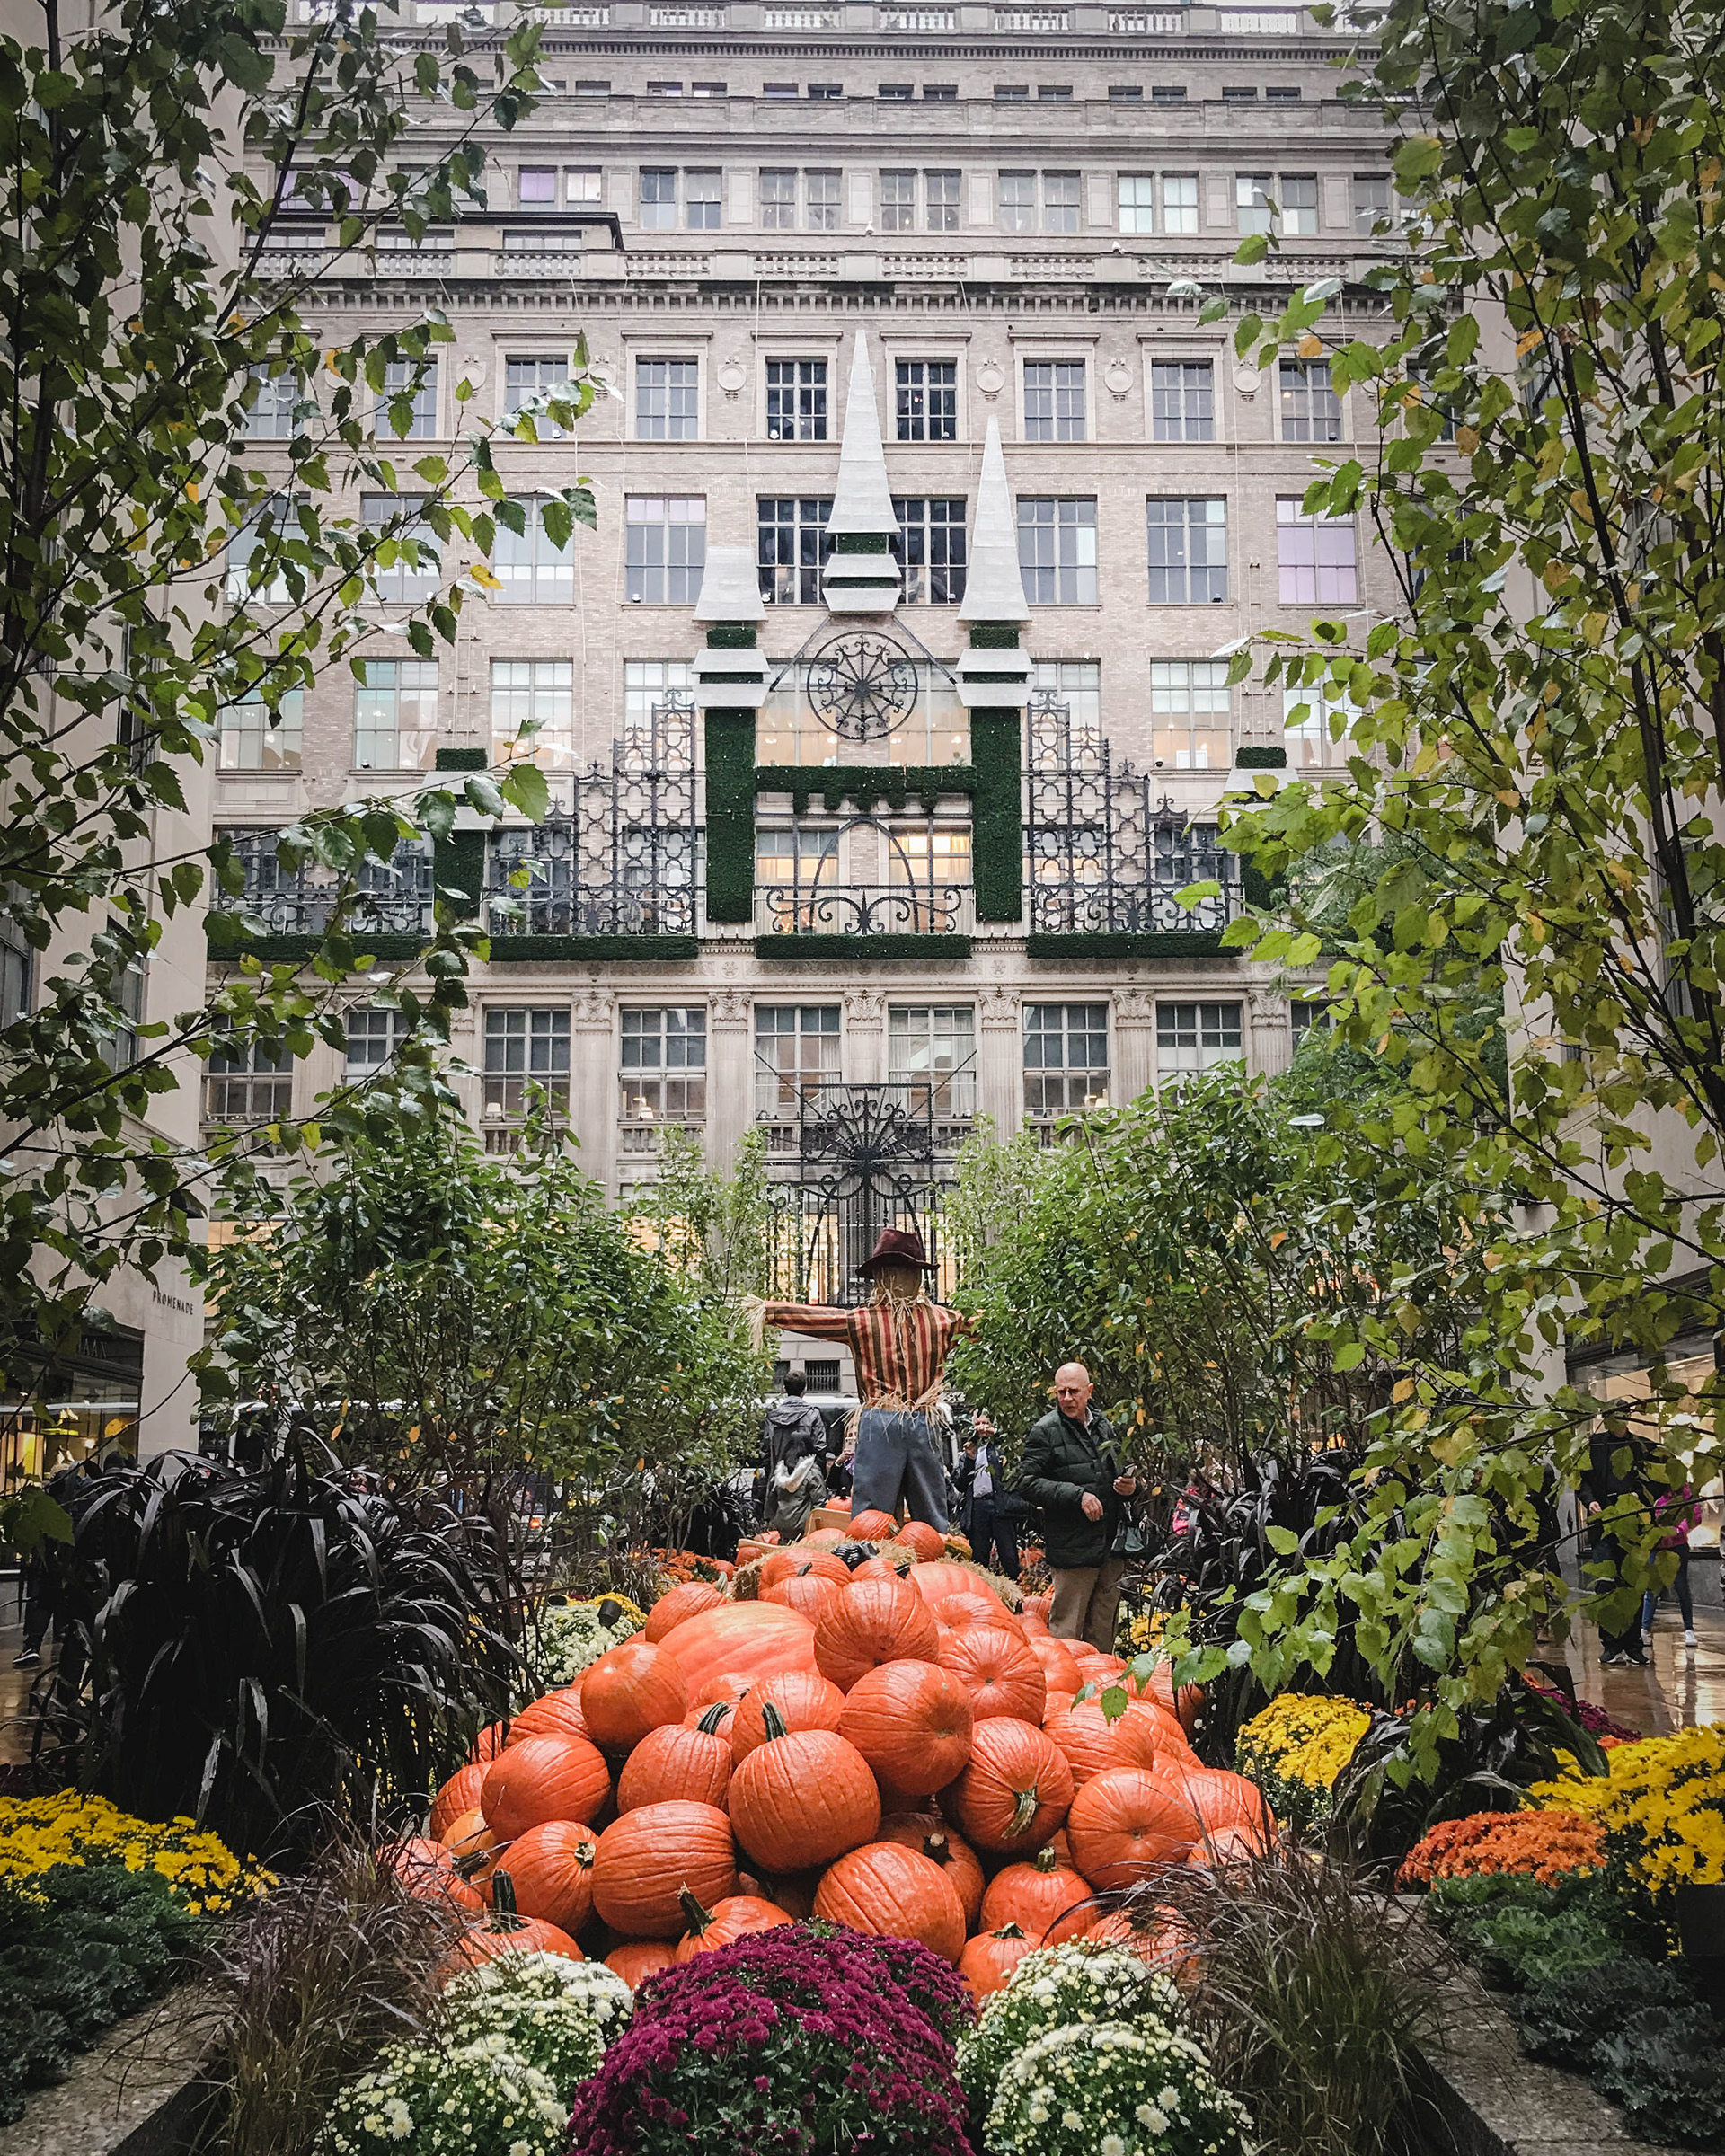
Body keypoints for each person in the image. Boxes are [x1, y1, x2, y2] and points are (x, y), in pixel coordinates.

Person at [761, 1227, 970, 1530]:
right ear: (919, 1277)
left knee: (873, 1511)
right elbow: (984, 1323)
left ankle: (875, 1555)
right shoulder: (943, 1320)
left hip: (880, 1421)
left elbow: (817, 1319)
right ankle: (931, 1552)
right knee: (930, 1505)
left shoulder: (861, 1320)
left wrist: (769, 1311)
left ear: (878, 1277)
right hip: (922, 1419)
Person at [1018, 1361, 1137, 1653]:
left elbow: (1118, 1473)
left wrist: (1131, 1489)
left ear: (1089, 1391)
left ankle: (1099, 1694)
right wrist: (1076, 1496)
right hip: (1073, 1549)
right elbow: (1025, 1482)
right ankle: (1065, 1697)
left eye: (1073, 1392)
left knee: (1102, 1637)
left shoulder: (1104, 1426)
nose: (1067, 1398)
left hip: (1110, 1548)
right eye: (1061, 1392)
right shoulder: (1045, 1431)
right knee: (1066, 1639)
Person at [1579, 1422, 1650, 1668]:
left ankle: (1633, 1644)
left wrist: (1638, 1496)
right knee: (1606, 1584)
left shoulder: (1639, 1446)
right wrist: (1590, 1502)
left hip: (1631, 1524)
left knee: (1633, 1584)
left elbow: (1652, 1480)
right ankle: (1610, 1643)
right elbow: (1583, 1480)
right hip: (1602, 1523)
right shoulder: (1596, 1444)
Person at [759, 1372, 830, 1542]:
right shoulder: (812, 1414)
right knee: (807, 1538)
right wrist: (816, 1476)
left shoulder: (772, 1416)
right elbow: (820, 1448)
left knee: (779, 1539)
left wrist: (776, 1473)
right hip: (807, 1481)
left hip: (778, 1480)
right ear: (804, 1390)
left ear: (784, 1389)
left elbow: (765, 1451)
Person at [1641, 1484, 1701, 1653]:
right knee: (1652, 1589)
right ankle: (1645, 1628)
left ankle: (1689, 1629)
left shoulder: (1688, 1498)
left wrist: (1674, 1533)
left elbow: (1693, 1518)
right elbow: (1653, 1519)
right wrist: (1660, 1536)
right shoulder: (1660, 1498)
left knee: (1681, 1586)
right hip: (1658, 1546)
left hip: (1678, 1546)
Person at [966, 1409, 1021, 1583]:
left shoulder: (1002, 1447)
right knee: (979, 1556)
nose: (980, 1428)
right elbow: (960, 1482)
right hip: (978, 1506)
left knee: (1008, 1554)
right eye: (977, 1424)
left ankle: (1015, 1590)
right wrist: (969, 1458)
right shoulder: (971, 1449)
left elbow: (1014, 1465)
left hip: (1000, 1504)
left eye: (984, 1423)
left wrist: (996, 1436)